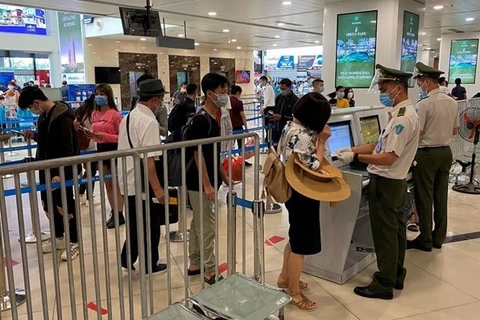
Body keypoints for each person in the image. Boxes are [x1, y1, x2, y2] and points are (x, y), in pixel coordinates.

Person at [336, 65, 420, 300]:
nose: (382, 92)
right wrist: (352, 148)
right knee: (396, 232)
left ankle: (384, 284)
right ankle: (396, 274)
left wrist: (356, 157)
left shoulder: (402, 120)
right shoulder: (401, 114)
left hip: (386, 183)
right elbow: (378, 146)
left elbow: (388, 157)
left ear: (398, 88)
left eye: (384, 88)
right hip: (395, 183)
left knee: (385, 235)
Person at [277, 92, 331, 311]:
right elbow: (313, 166)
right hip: (302, 192)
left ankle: (285, 278)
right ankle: (294, 292)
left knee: (295, 236)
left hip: (294, 190)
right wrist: (322, 141)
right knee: (300, 244)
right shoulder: (304, 136)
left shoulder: (291, 127)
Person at [19, 86, 81, 261]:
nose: (32, 110)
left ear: (36, 102)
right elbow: (48, 139)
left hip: (60, 170)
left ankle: (74, 241)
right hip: (46, 169)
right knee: (49, 205)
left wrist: (64, 172)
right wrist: (34, 135)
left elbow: (67, 147)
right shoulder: (44, 116)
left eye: (31, 107)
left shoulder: (62, 117)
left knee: (65, 205)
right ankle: (59, 237)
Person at [407, 63, 459, 252]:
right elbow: (455, 130)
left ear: (427, 82)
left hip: (427, 154)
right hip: (446, 152)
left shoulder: (424, 104)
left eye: (420, 83)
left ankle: (426, 238)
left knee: (424, 197)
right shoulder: (452, 102)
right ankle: (439, 238)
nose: (420, 87)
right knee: (440, 196)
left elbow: (418, 133)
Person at [118, 79, 168, 274]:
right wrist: (158, 189)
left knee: (135, 221)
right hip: (142, 183)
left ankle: (127, 258)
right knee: (150, 224)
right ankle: (149, 263)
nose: (161, 104)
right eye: (161, 100)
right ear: (155, 100)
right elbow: (149, 160)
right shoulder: (149, 122)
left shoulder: (129, 117)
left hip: (128, 178)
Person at [185, 73, 230, 285]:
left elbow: (213, 152)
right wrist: (207, 184)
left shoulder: (215, 117)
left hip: (207, 179)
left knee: (198, 222)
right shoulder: (201, 119)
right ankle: (210, 270)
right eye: (222, 92)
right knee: (208, 226)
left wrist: (222, 174)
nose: (225, 95)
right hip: (199, 181)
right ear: (210, 94)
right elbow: (198, 153)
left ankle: (194, 263)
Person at [88, 84, 125, 229]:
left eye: (101, 94)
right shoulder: (94, 114)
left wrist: (104, 135)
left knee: (115, 184)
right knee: (107, 184)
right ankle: (113, 210)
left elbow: (121, 137)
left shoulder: (115, 115)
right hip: (101, 150)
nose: (99, 96)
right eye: (97, 93)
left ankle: (119, 213)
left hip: (113, 150)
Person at [74, 94, 97, 206]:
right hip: (92, 145)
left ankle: (80, 193)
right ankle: (89, 198)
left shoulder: (80, 111)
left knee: (88, 171)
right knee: (91, 172)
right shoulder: (93, 113)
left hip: (81, 146)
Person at [270, 78, 299, 144]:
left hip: (289, 130)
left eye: (283, 89)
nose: (281, 91)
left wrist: (282, 117)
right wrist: (272, 114)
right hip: (277, 128)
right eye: (280, 88)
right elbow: (275, 109)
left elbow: (296, 118)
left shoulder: (295, 100)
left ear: (289, 87)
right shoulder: (279, 97)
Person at [229, 85, 252, 166]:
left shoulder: (227, 101)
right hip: (238, 126)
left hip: (229, 126)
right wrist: (246, 128)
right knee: (240, 145)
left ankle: (230, 161)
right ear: (238, 93)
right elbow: (242, 116)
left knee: (230, 144)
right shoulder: (238, 102)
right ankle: (241, 161)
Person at [259, 76, 276, 141]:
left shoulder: (269, 88)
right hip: (267, 107)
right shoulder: (266, 88)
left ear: (264, 80)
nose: (261, 83)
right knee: (266, 123)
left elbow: (268, 99)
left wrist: (263, 107)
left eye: (261, 81)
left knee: (268, 123)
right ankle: (267, 137)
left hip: (269, 107)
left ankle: (269, 137)